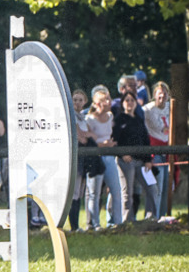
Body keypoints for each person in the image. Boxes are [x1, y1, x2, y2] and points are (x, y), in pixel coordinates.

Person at [112, 91, 157, 223]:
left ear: (136, 102)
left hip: (142, 162)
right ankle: (127, 221)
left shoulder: (138, 119)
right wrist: (122, 153)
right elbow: (114, 141)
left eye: (132, 100)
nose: (130, 103)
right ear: (123, 103)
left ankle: (151, 218)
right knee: (128, 193)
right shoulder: (119, 119)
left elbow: (145, 140)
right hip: (126, 162)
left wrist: (148, 160)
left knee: (152, 188)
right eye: (127, 100)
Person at [84, 86, 124, 229]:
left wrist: (110, 144)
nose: (109, 102)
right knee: (94, 193)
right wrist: (103, 144)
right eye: (105, 99)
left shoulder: (111, 117)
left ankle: (118, 222)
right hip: (96, 158)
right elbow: (89, 141)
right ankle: (95, 224)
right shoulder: (89, 119)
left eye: (109, 98)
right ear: (97, 103)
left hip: (109, 157)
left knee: (116, 190)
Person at [143, 81, 171, 218]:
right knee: (157, 186)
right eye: (160, 93)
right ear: (155, 95)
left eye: (165, 93)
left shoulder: (171, 107)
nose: (162, 96)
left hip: (168, 149)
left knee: (166, 185)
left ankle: (163, 215)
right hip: (155, 148)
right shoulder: (147, 109)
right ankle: (154, 217)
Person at [66, 89, 92, 232]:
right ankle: (73, 225)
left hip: (84, 157)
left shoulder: (83, 117)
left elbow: (89, 133)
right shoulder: (71, 117)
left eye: (80, 100)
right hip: (75, 157)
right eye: (75, 99)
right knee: (74, 192)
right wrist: (86, 135)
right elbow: (81, 136)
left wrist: (87, 135)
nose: (77, 103)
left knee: (80, 191)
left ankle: (76, 225)